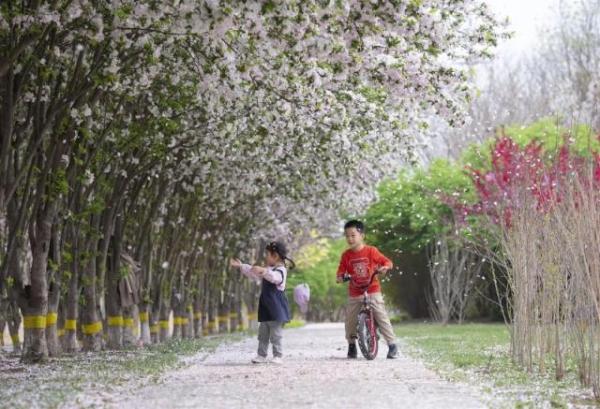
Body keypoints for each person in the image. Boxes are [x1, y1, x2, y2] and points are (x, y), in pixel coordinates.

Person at [336, 219, 399, 359]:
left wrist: (385, 267)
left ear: (362, 235)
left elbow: (387, 261)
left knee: (381, 315)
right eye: (347, 236)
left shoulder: (371, 251)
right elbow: (340, 272)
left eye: (353, 235)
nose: (350, 238)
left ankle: (392, 345)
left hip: (372, 289)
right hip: (355, 292)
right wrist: (341, 277)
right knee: (350, 320)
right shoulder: (346, 255)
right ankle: (352, 344)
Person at [230, 241, 294, 364]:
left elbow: (275, 278)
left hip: (276, 308)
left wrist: (264, 271)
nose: (266, 257)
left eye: (268, 254)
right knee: (263, 334)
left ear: (275, 256)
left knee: (276, 334)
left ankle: (278, 355)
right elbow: (253, 271)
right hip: (266, 307)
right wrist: (242, 266)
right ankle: (261, 354)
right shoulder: (268, 269)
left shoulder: (281, 270)